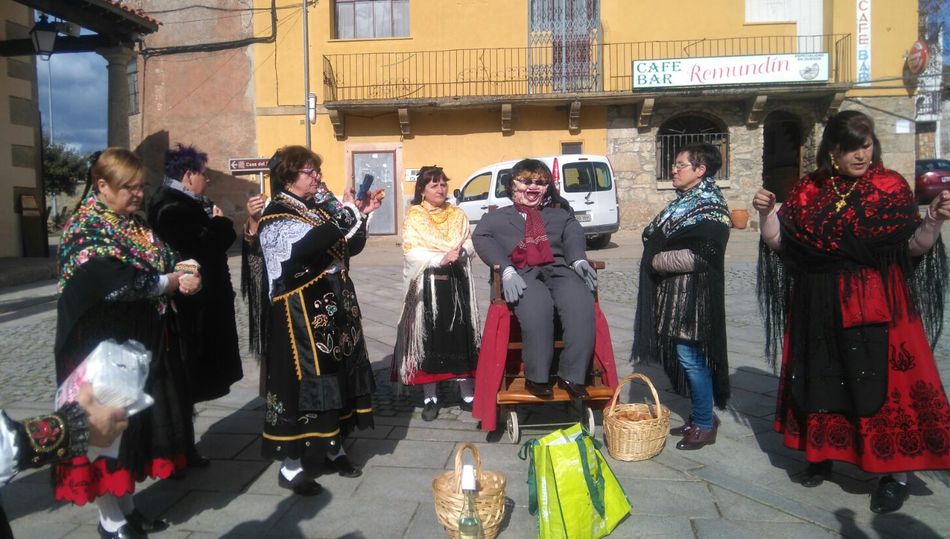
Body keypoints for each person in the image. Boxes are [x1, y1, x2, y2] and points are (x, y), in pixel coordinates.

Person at [754, 110, 950, 514]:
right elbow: (783, 246)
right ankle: (821, 452)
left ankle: (894, 475)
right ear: (832, 151)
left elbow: (910, 248)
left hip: (877, 301)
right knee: (822, 378)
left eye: (866, 145)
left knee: (883, 388)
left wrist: (932, 220)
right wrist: (765, 214)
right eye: (849, 148)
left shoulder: (891, 186)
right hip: (817, 302)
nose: (861, 155)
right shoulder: (809, 188)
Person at [55, 148, 201, 538]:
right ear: (102, 186)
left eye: (141, 187)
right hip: (95, 345)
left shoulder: (133, 224)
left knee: (131, 425)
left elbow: (168, 255)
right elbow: (123, 283)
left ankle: (128, 506)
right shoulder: (85, 228)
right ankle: (111, 519)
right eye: (128, 188)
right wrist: (171, 281)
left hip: (134, 342)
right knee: (103, 430)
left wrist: (189, 270)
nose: (137, 195)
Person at [256, 146, 380, 496]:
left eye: (316, 170)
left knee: (337, 374)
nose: (317, 177)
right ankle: (291, 465)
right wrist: (347, 213)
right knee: (303, 382)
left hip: (334, 307)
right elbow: (307, 247)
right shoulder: (276, 214)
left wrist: (362, 216)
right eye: (309, 171)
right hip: (301, 313)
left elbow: (345, 247)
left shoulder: (316, 209)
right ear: (289, 176)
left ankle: (333, 447)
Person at [146, 143, 243, 469]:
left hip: (197, 308)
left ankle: (183, 449)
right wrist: (223, 224)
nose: (209, 181)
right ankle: (174, 452)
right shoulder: (171, 208)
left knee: (187, 384)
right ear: (188, 176)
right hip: (186, 312)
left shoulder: (184, 203)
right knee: (181, 383)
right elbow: (199, 249)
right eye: (204, 174)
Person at [632, 143, 731, 451]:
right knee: (685, 356)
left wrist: (655, 261)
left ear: (700, 170)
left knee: (691, 358)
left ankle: (704, 422)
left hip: (693, 297)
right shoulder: (685, 202)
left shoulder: (710, 206)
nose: (674, 170)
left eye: (680, 165)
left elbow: (705, 255)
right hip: (676, 294)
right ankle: (700, 416)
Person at [472, 158, 598, 399]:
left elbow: (573, 236)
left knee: (581, 304)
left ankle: (572, 374)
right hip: (521, 272)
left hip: (559, 268)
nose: (533, 187)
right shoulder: (495, 219)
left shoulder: (560, 215)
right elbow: (483, 240)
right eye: (526, 181)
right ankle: (537, 377)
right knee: (537, 307)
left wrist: (579, 260)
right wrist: (506, 269)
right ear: (511, 186)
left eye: (540, 182)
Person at [391, 166, 480, 421]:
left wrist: (462, 252)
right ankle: (430, 396)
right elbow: (410, 251)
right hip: (427, 285)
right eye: (434, 185)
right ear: (422, 190)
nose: (440, 189)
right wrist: (440, 257)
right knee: (429, 339)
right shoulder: (415, 217)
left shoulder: (458, 214)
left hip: (456, 283)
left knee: (461, 336)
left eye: (443, 184)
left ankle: (466, 392)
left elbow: (469, 243)